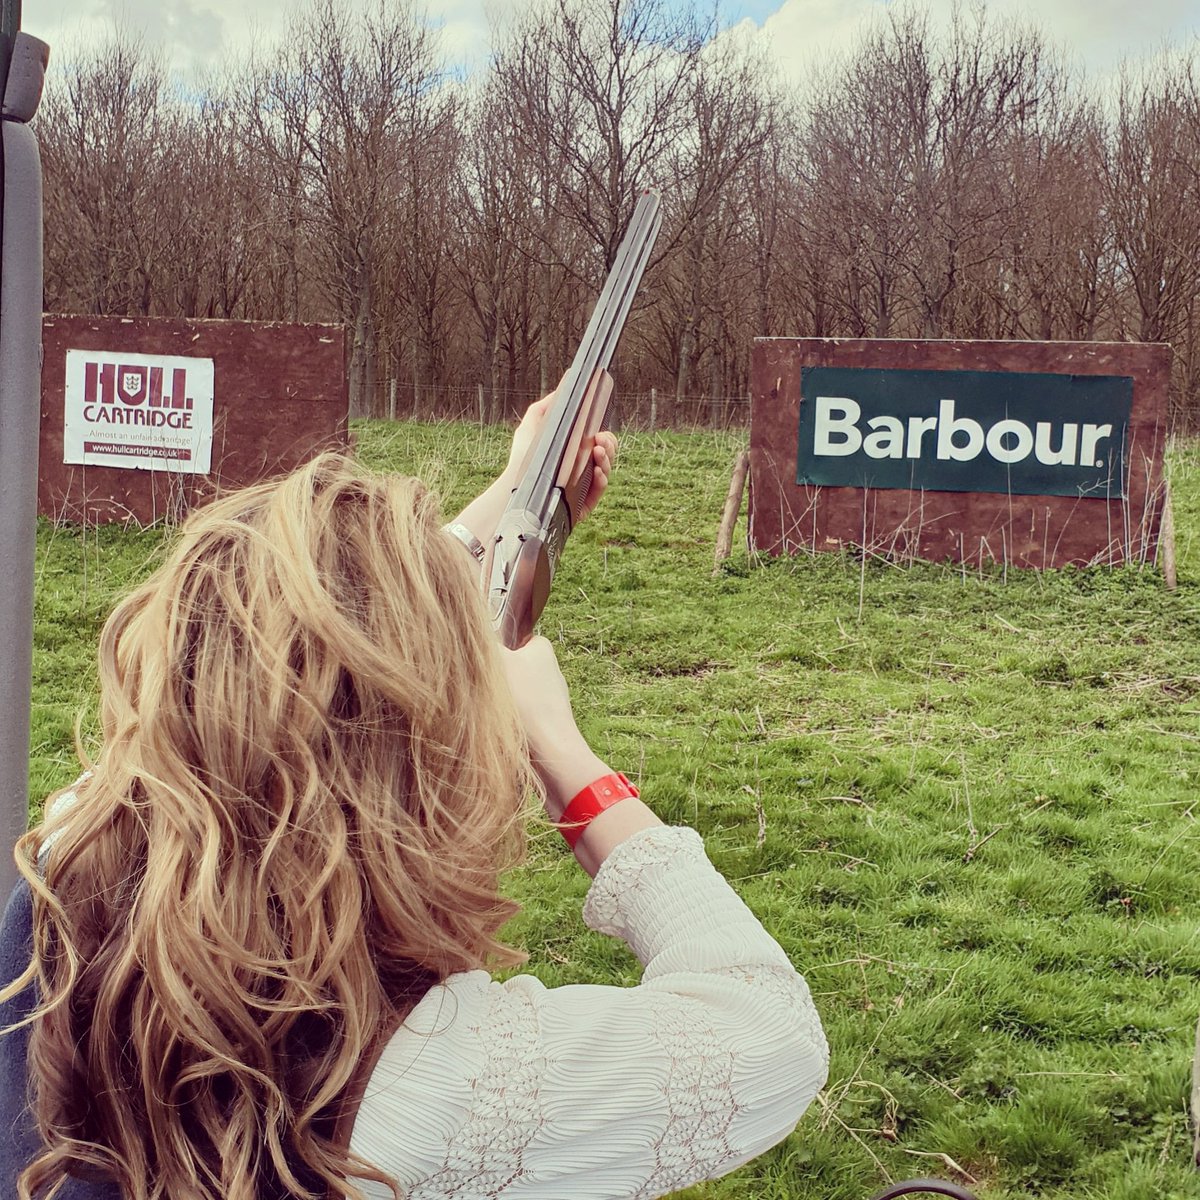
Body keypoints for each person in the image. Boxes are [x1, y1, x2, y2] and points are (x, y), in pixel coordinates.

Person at [0, 397, 828, 1200]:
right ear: (412, 757)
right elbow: (772, 1038)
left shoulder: (65, 856)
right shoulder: (427, 1079)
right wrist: (563, 752)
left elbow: (308, 634)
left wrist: (514, 492)